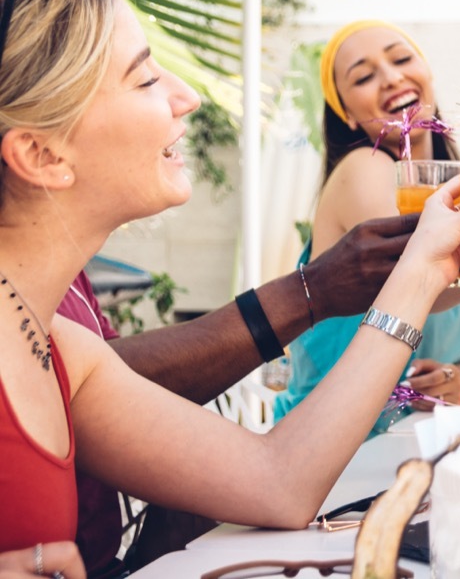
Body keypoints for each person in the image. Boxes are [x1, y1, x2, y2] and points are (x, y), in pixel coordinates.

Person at [0, 0, 460, 576]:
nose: (185, 97)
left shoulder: (56, 347)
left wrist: (422, 273)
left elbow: (280, 481)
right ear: (41, 154)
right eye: (144, 79)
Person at [57, 218, 419, 576]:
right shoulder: (37, 332)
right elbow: (280, 484)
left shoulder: (66, 285)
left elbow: (114, 382)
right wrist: (413, 277)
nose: (173, 154)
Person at [274, 20, 460, 422]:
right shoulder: (365, 168)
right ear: (348, 115)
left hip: (428, 453)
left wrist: (459, 375)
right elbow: (422, 282)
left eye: (402, 59)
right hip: (332, 456)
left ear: (425, 72)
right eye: (364, 76)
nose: (391, 78)